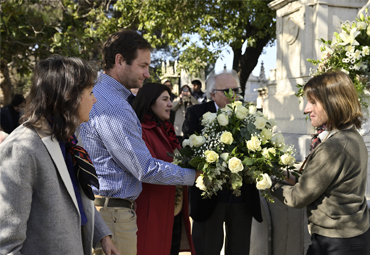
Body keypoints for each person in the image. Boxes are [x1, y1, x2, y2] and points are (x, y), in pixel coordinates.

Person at [79, 29, 197, 255]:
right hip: (112, 215)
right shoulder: (114, 106)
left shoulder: (97, 92)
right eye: (143, 66)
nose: (147, 74)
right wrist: (193, 175)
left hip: (104, 212)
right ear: (120, 61)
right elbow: (144, 168)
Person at [0, 55, 119, 255]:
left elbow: (77, 195)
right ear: (69, 96)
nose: (94, 99)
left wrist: (102, 235)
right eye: (90, 92)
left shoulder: (68, 138)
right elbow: (7, 244)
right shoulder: (22, 148)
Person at [271, 71, 370, 255]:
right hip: (351, 238)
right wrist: (282, 174)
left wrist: (268, 184)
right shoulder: (350, 136)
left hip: (335, 243)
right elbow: (320, 182)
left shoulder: (334, 146)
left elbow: (297, 198)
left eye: (313, 102)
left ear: (334, 102)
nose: (306, 109)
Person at [182, 70, 262, 255]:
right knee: (206, 250)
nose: (232, 95)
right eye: (227, 90)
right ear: (213, 94)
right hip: (209, 198)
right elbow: (189, 150)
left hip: (242, 198)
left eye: (236, 90)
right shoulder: (196, 113)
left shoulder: (249, 115)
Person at [132, 83, 196, 255]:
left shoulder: (166, 130)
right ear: (150, 102)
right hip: (153, 214)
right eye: (165, 99)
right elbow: (149, 170)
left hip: (173, 213)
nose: (170, 104)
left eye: (171, 99)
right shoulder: (141, 132)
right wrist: (191, 175)